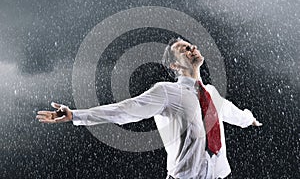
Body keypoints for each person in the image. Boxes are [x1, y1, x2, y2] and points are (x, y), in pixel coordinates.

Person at [36, 38, 262, 179]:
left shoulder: (210, 92)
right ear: (174, 65)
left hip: (222, 175)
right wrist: (75, 115)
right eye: (184, 49)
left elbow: (230, 111)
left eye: (190, 45)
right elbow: (125, 110)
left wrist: (248, 119)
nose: (192, 48)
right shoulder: (165, 92)